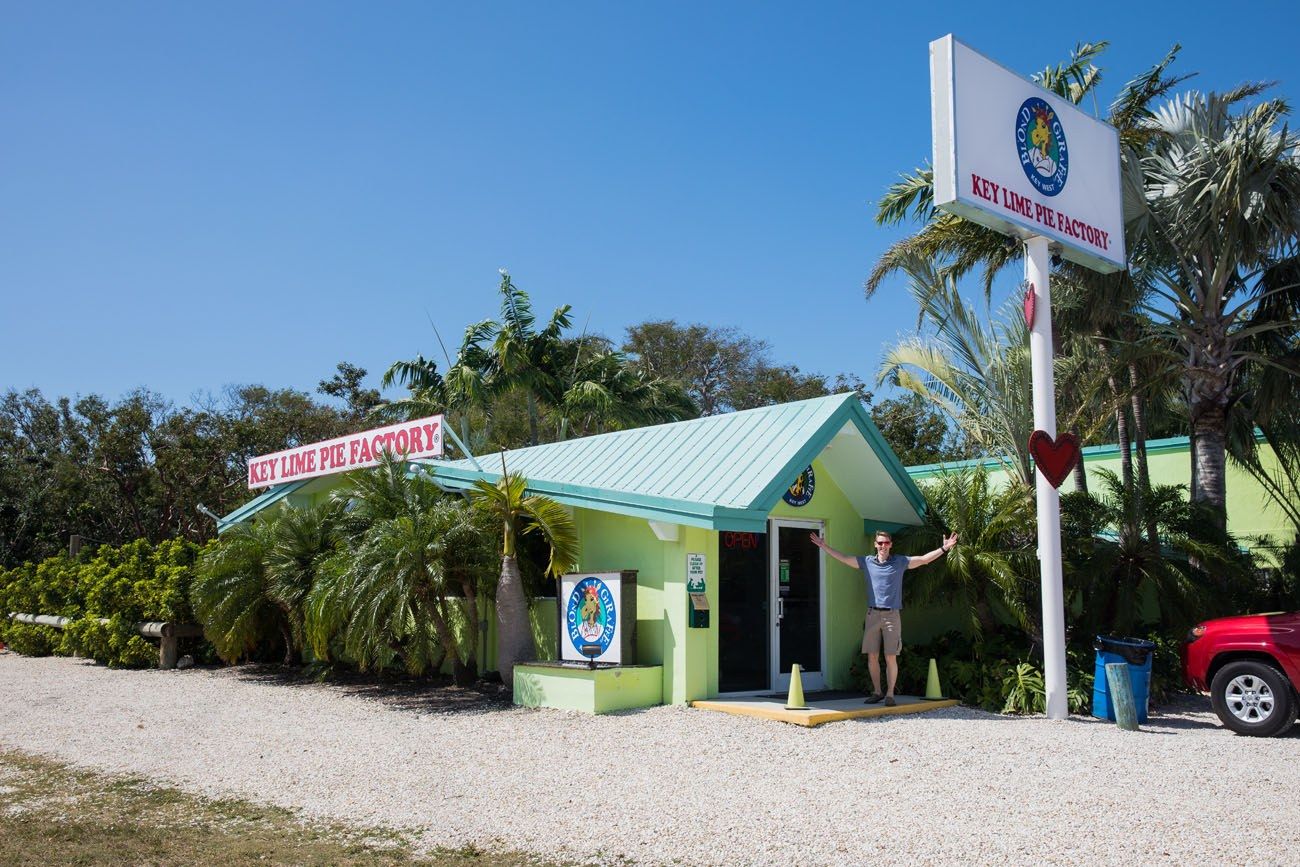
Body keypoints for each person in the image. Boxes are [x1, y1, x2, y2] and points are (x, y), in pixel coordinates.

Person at [810, 529, 957, 706]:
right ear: (875, 545)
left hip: (891, 615)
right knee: (872, 656)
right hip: (872, 614)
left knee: (890, 656)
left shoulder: (899, 562)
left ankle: (889, 695)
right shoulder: (867, 562)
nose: (883, 546)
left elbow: (923, 559)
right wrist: (824, 546)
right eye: (880, 543)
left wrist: (944, 548)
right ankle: (877, 692)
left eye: (886, 543)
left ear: (891, 545)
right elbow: (844, 558)